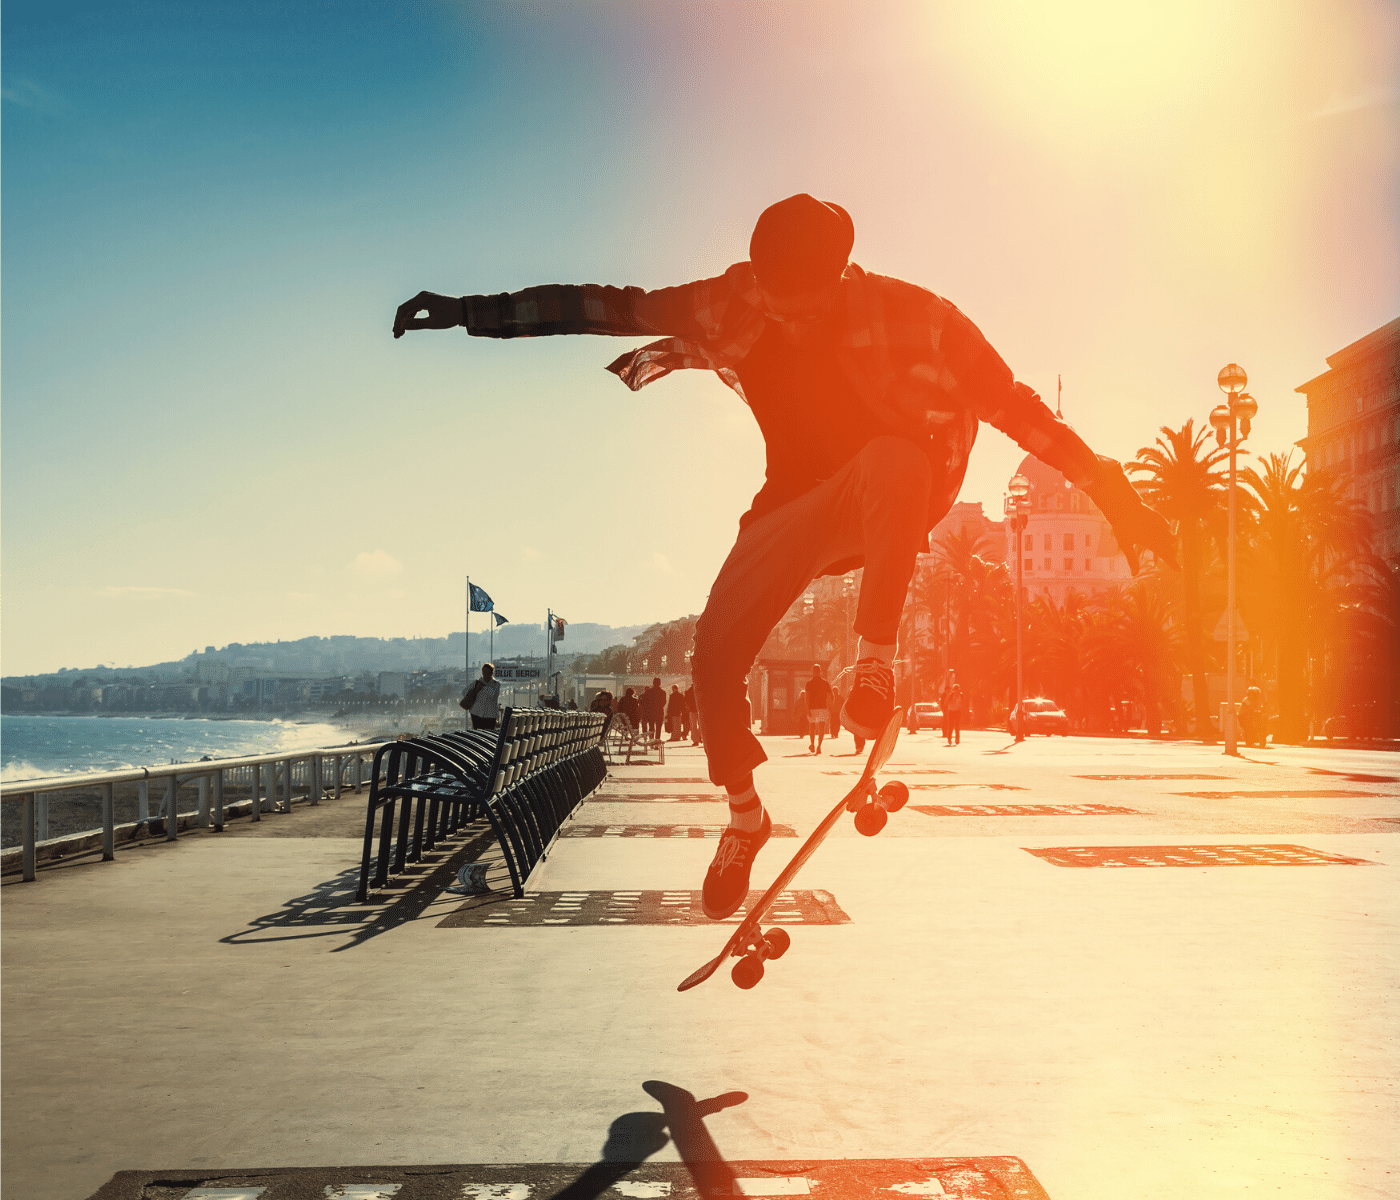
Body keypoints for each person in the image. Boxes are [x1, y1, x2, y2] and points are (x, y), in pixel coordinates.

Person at [395, 192, 1175, 921]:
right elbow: (602, 307)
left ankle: (875, 661)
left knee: (895, 459)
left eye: (804, 303)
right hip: (792, 509)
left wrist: (1121, 498)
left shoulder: (920, 316)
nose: (787, 318)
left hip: (887, 494)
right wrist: (470, 313)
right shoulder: (729, 299)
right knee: (712, 656)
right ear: (756, 278)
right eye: (773, 299)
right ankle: (745, 817)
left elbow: (1016, 407)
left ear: (841, 276)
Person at [459, 663, 501, 731]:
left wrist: (483, 688)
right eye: (484, 672)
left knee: (489, 734)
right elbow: (464, 692)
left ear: (492, 673)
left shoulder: (496, 684)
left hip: (490, 715)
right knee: (478, 733)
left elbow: (493, 695)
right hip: (476, 713)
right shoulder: (476, 683)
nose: (486, 674)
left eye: (488, 672)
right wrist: (476, 689)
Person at [805, 664, 832, 754]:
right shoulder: (825, 683)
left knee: (812, 727)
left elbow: (807, 697)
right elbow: (830, 696)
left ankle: (812, 744)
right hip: (823, 708)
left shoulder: (809, 683)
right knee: (821, 727)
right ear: (820, 672)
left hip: (812, 707)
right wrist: (829, 707)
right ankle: (819, 746)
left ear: (812, 672)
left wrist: (807, 708)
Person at [939, 671, 964, 746]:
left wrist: (960, 707)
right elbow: (945, 704)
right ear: (953, 689)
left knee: (957, 726)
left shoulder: (961, 695)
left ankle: (957, 738)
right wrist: (951, 701)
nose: (957, 690)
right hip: (951, 711)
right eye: (955, 689)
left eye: (958, 689)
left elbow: (962, 703)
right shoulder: (950, 695)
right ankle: (949, 738)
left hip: (957, 711)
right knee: (951, 725)